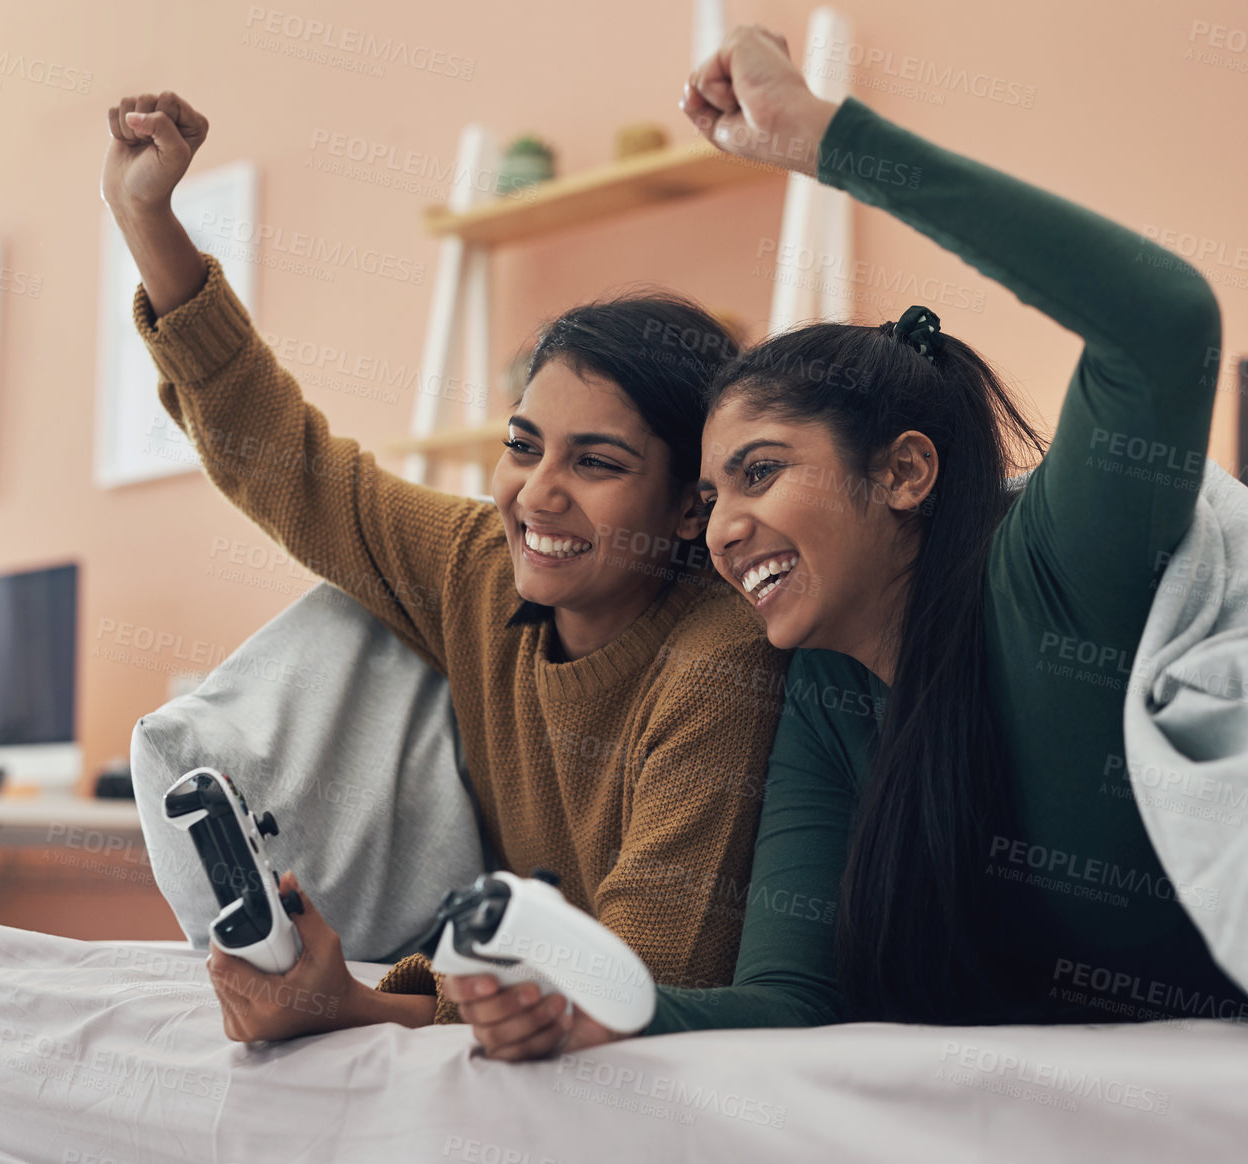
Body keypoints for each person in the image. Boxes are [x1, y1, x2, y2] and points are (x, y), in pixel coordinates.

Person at [476, 24, 1248, 1057]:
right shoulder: (824, 689)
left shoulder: (1048, 574)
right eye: (708, 497)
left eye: (759, 473)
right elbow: (793, 1005)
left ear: (903, 473)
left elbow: (1164, 321)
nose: (722, 531)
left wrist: (827, 142)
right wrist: (588, 1014)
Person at [100, 89, 791, 1058]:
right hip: (510, 976)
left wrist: (370, 1005)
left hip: (628, 1022)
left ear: (690, 505)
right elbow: (285, 462)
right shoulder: (482, 567)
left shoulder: (719, 658)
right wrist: (146, 218)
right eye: (523, 445)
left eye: (596, 464)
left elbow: (645, 973)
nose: (537, 495)